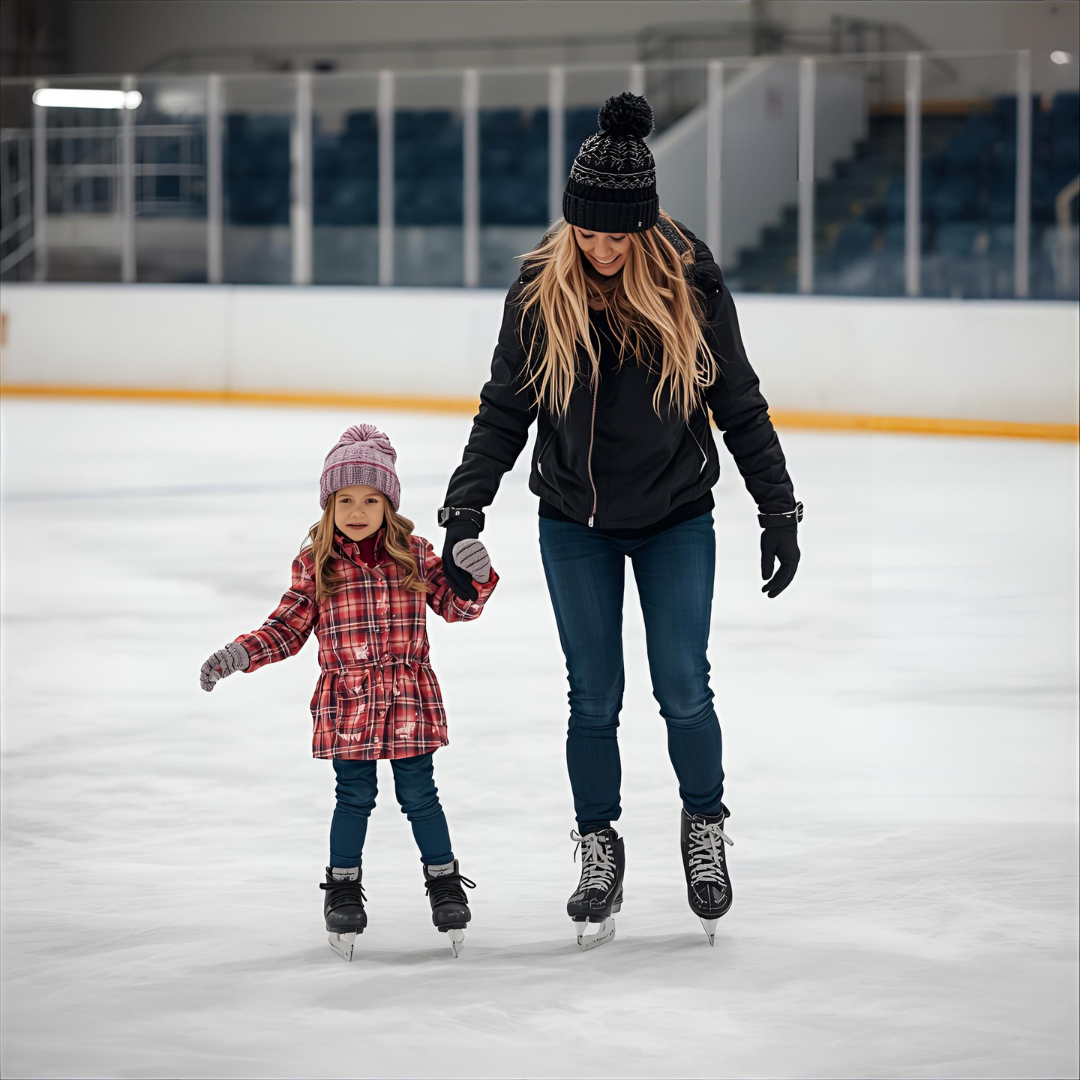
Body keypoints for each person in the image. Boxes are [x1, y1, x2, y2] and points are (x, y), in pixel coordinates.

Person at [437, 93, 802, 949]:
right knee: (592, 698)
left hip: (677, 515)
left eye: (616, 237)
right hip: (573, 521)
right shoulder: (540, 291)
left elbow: (737, 404)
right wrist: (464, 508)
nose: (601, 251)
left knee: (683, 687)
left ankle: (703, 828)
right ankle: (599, 844)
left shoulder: (692, 282)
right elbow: (503, 411)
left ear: (645, 227)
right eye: (588, 236)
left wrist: (778, 507)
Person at [200, 423, 497, 960]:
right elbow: (286, 628)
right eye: (344, 500)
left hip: (408, 702)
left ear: (389, 504)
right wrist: (241, 653)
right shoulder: (317, 564)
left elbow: (458, 608)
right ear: (328, 505)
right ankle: (342, 887)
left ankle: (444, 882)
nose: (357, 510)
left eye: (370, 498)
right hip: (350, 707)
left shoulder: (414, 554)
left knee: (420, 795)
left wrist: (473, 578)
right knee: (353, 797)